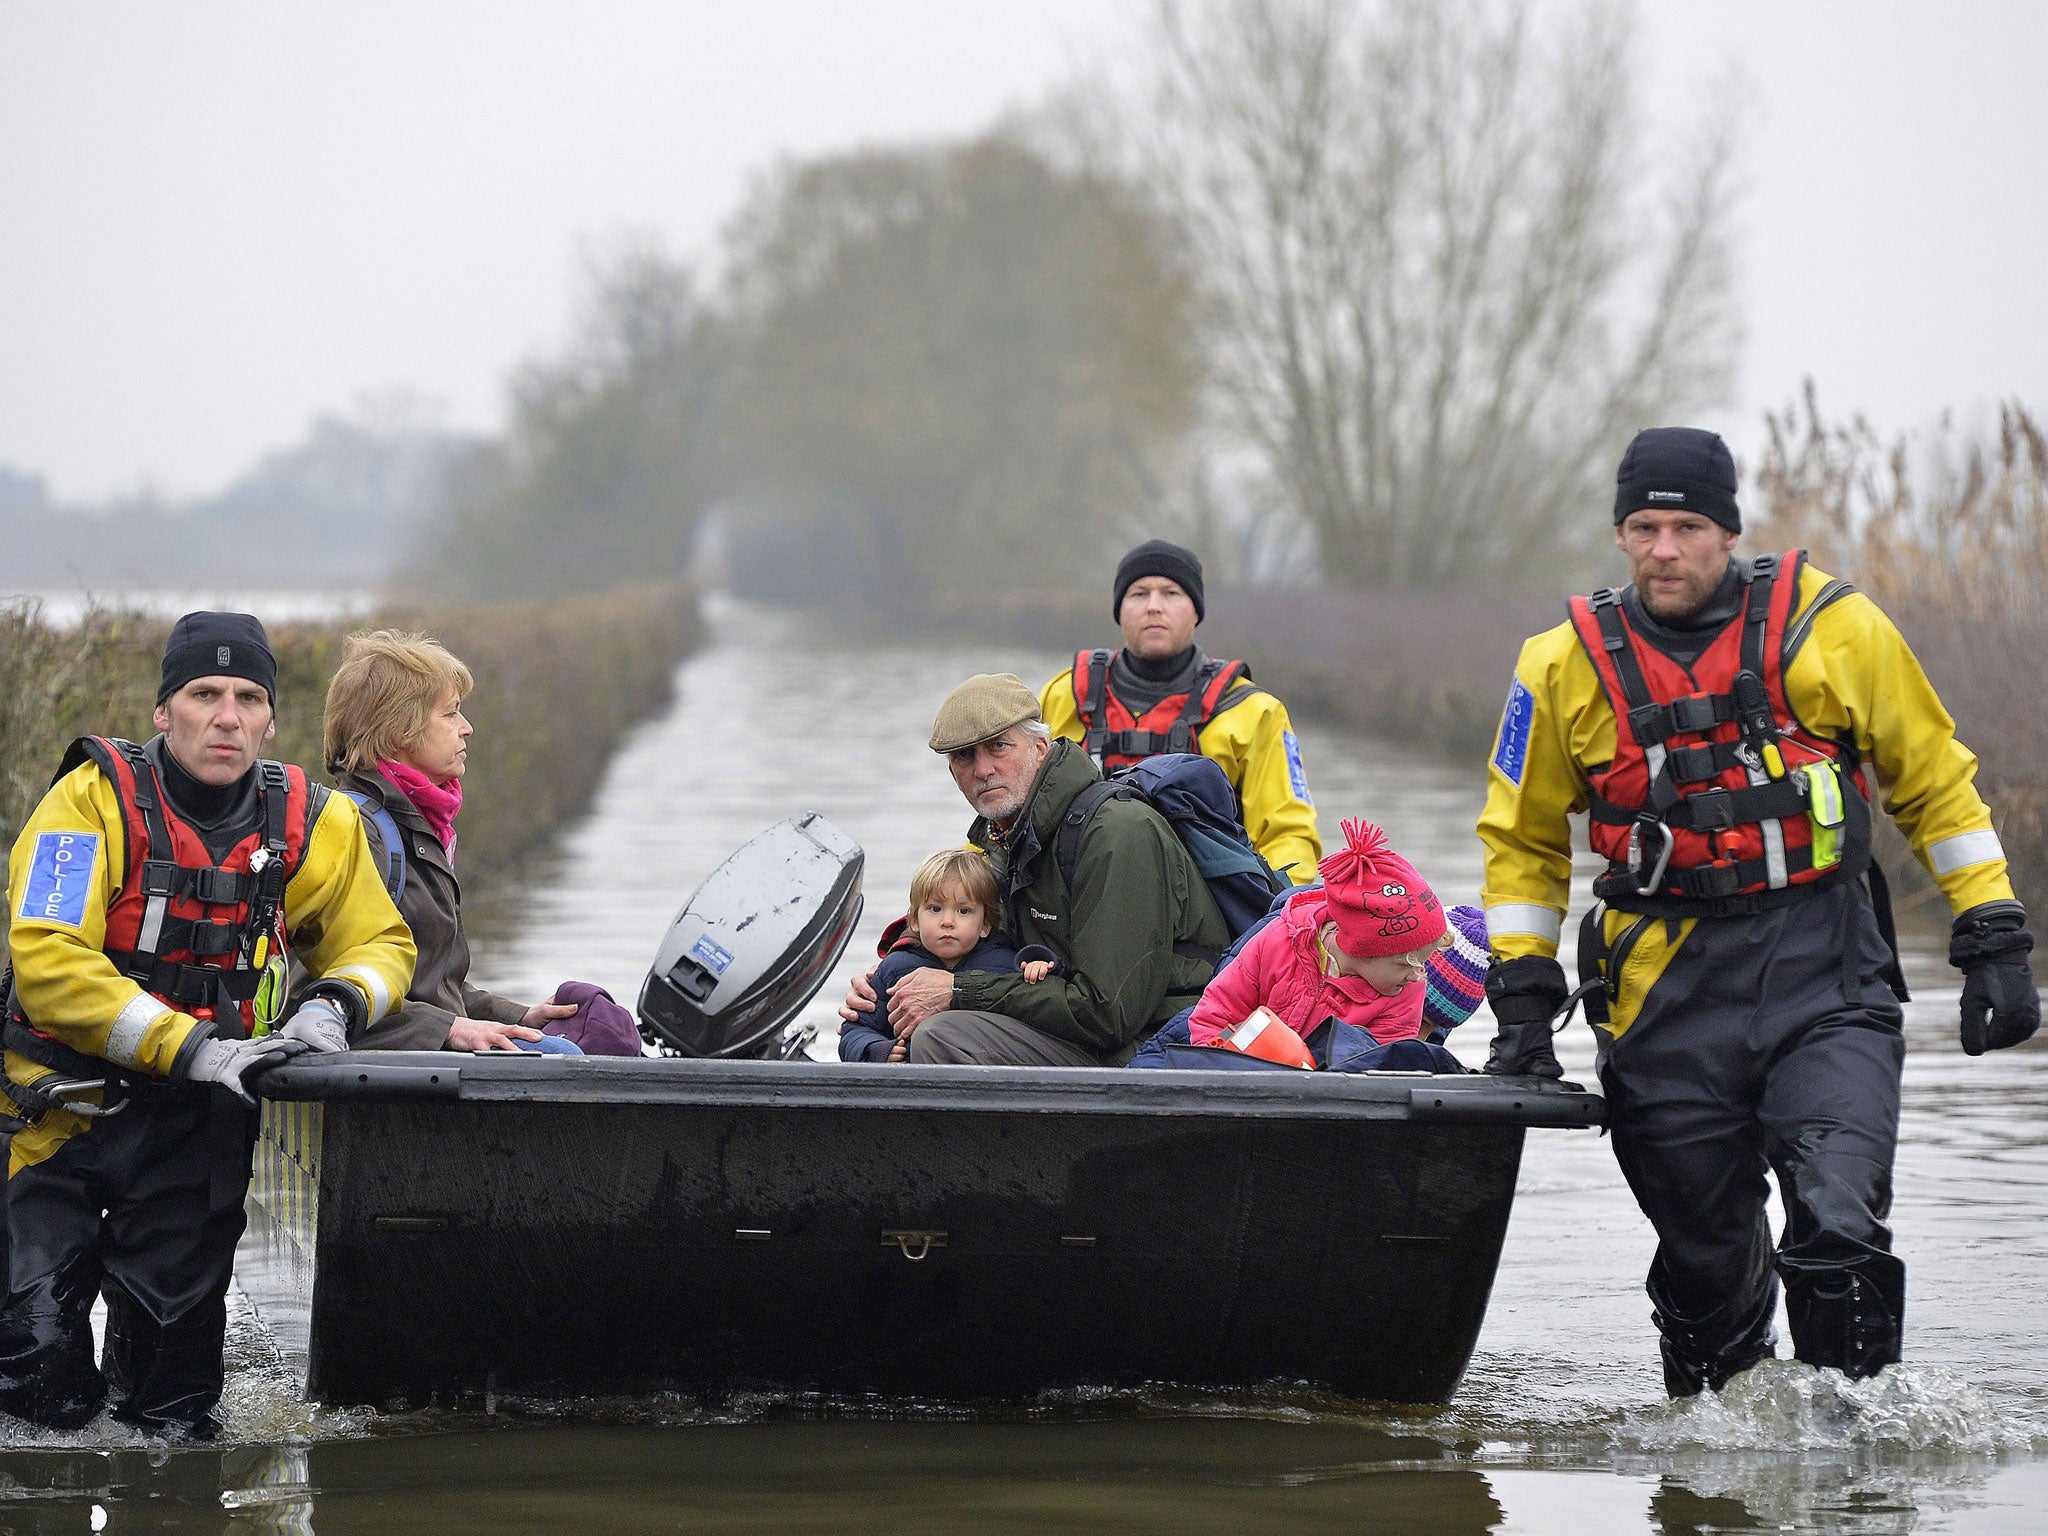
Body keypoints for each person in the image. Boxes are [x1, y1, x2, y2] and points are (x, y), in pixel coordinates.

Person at [1476, 426, 2040, 1397]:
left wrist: (1990, 931)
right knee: (1704, 1274)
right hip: (1662, 995)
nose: (1663, 549)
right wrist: (1523, 998)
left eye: (1686, 526)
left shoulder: (1836, 630)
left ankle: (1851, 1455)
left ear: (1726, 532)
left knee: (1837, 1223)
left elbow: (1934, 785)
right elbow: (1520, 842)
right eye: (1643, 527)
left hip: (1822, 969)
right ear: (1619, 535)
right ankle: (1710, 1457)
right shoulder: (1556, 665)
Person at [0, 611, 416, 1436]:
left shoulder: (316, 822)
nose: (226, 716)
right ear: (164, 712)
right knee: (36, 1378)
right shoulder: (87, 801)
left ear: (269, 717)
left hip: (194, 1137)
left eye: (247, 697)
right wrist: (189, 1046)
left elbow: (380, 940)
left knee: (175, 1407)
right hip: (55, 1118)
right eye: (203, 693)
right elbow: (46, 958)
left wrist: (335, 1004)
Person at [850, 673, 1230, 1067]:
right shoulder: (1004, 838)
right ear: (951, 771)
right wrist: (889, 985)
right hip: (1084, 1035)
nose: (983, 769)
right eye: (964, 755)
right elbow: (974, 939)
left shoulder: (1117, 833)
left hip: (1157, 1048)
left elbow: (1108, 1014)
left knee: (942, 1036)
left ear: (1040, 747)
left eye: (998, 747)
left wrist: (959, 990)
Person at [320, 629, 631, 1055]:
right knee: (572, 1061)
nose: (467, 728)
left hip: (424, 1071)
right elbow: (319, 1002)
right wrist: (448, 1031)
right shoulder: (356, 832)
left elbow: (434, 987)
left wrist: (517, 1017)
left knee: (595, 1029)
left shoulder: (420, 827)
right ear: (397, 729)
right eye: (450, 714)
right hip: (387, 1091)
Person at [1039, 539, 1322, 881]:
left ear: (1195, 610)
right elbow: (1015, 808)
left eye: (1171, 593)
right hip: (1080, 887)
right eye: (1139, 594)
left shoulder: (1254, 711)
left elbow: (1289, 835)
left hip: (1201, 904)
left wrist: (1275, 911)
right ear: (1119, 610)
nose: (1154, 607)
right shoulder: (1066, 695)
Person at [1187, 819, 1448, 1050]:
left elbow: (1381, 1065)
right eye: (1408, 963)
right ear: (1363, 947)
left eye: (1423, 963)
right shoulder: (1279, 941)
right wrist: (1225, 1063)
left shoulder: (1406, 992)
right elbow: (1214, 1016)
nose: (1418, 975)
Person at [838, 849, 1022, 1063]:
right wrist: (874, 1050)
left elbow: (1036, 1000)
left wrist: (1044, 963)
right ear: (914, 920)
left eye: (963, 911)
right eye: (935, 908)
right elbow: (856, 1029)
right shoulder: (896, 966)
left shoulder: (1005, 964)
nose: (947, 921)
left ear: (986, 925)